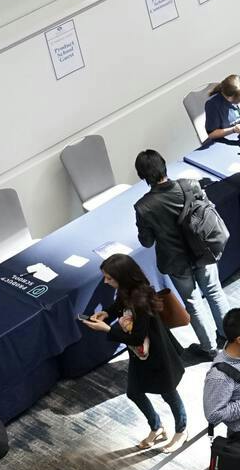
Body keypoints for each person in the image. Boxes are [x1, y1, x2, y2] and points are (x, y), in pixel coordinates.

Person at [77, 253, 188, 447]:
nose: (105, 281)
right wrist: (107, 313)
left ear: (123, 276)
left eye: (109, 278)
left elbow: (137, 337)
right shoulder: (126, 290)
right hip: (139, 355)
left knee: (168, 392)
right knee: (134, 392)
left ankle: (182, 429)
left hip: (157, 354)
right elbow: (120, 305)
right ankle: (157, 427)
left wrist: (108, 329)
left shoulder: (141, 300)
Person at [132, 150, 228, 358]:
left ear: (142, 176)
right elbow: (208, 209)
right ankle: (230, 336)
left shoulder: (143, 207)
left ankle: (209, 348)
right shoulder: (191, 184)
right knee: (214, 292)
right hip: (204, 250)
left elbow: (146, 242)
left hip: (176, 262)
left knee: (193, 303)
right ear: (164, 165)